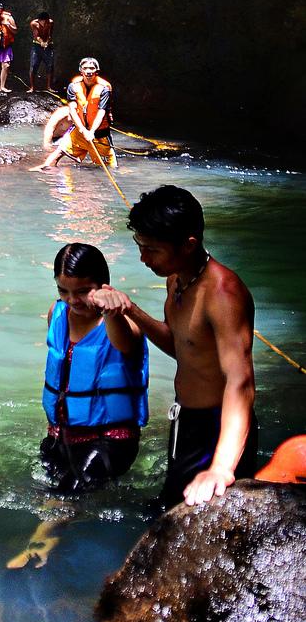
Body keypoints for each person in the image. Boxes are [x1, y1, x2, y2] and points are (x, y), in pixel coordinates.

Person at [89, 185, 257, 510]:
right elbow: (183, 347)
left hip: (220, 428)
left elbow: (242, 383)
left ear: (188, 244)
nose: (143, 258)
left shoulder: (223, 294)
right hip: (186, 420)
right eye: (140, 246)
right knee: (167, 510)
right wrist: (130, 310)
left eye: (152, 249)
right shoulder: (177, 279)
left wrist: (221, 467)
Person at [40, 241, 148, 493]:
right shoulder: (56, 314)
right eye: (63, 290)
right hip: (62, 436)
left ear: (103, 286)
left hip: (110, 440)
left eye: (83, 291)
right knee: (47, 490)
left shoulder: (123, 325)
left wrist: (111, 310)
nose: (72, 300)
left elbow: (124, 344)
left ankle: (42, 534)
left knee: (65, 497)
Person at [31, 58, 115, 171]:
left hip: (99, 134)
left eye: (92, 68)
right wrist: (83, 130)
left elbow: (101, 112)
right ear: (81, 71)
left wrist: (91, 132)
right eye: (85, 68)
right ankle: (45, 168)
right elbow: (73, 110)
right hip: (80, 131)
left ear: (97, 71)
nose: (88, 71)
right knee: (60, 151)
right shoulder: (73, 87)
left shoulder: (104, 89)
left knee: (110, 168)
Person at [28, 13, 55, 93]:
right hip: (37, 46)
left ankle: (49, 87)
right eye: (41, 21)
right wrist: (42, 42)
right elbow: (36, 36)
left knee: (50, 65)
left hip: (48, 46)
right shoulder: (34, 23)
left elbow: (50, 34)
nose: (42, 23)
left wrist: (47, 42)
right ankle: (32, 87)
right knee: (33, 65)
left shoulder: (50, 23)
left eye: (44, 21)